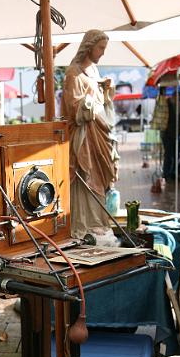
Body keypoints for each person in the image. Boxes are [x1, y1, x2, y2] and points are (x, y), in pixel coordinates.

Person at [60, 29, 119, 239]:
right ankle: (84, 224)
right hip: (82, 137)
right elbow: (73, 108)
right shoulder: (72, 74)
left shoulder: (93, 70)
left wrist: (105, 90)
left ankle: (98, 222)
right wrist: (91, 102)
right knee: (85, 177)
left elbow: (99, 100)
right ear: (89, 47)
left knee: (99, 177)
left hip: (98, 134)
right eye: (100, 48)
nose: (103, 53)